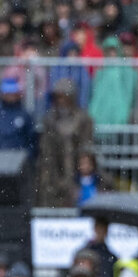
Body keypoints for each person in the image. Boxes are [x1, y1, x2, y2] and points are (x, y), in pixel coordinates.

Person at [36, 78, 94, 207]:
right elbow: (46, 147)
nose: (61, 101)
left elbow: (87, 144)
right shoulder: (50, 118)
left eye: (64, 97)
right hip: (54, 167)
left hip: (76, 166)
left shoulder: (83, 118)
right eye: (58, 97)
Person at [0, 77, 36, 157]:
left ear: (18, 94)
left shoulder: (25, 114)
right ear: (2, 94)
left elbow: (31, 140)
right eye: (7, 93)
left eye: (13, 93)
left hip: (18, 160)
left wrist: (28, 158)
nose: (10, 96)